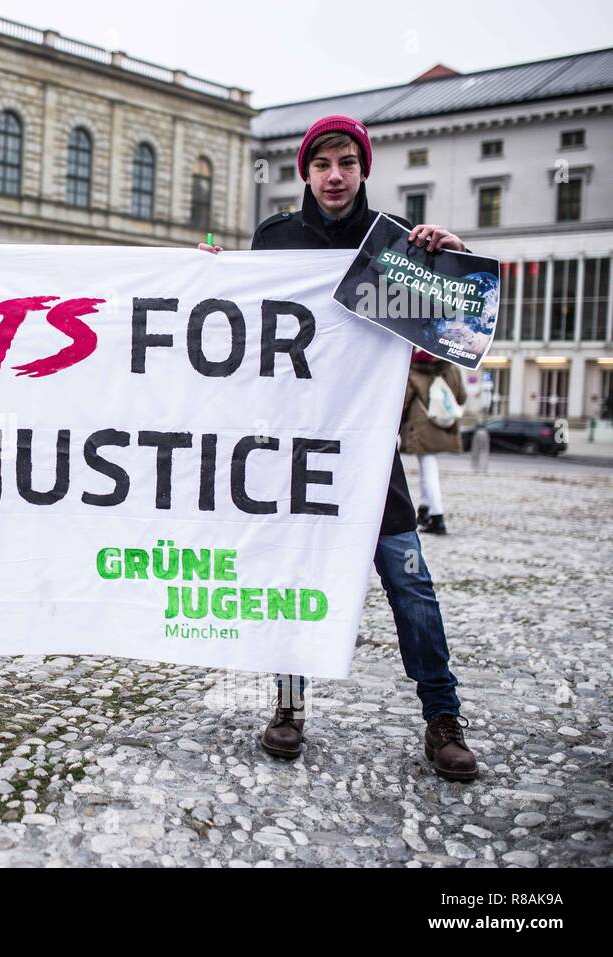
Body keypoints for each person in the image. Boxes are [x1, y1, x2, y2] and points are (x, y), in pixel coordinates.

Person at [200, 115, 478, 781]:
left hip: (369, 450)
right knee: (296, 578)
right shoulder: (273, 240)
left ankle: (443, 718)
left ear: (362, 170)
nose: (334, 175)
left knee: (409, 582)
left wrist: (453, 262)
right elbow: (238, 322)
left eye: (346, 162)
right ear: (305, 171)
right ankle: (289, 705)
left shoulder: (395, 242)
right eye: (322, 162)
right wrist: (205, 278)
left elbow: (452, 334)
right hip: (295, 447)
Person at [402, 349, 467, 535]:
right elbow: (461, 396)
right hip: (443, 424)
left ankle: (437, 516)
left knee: (428, 467)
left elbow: (404, 401)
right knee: (426, 466)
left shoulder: (414, 369)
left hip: (422, 425)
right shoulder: (451, 367)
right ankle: (425, 510)